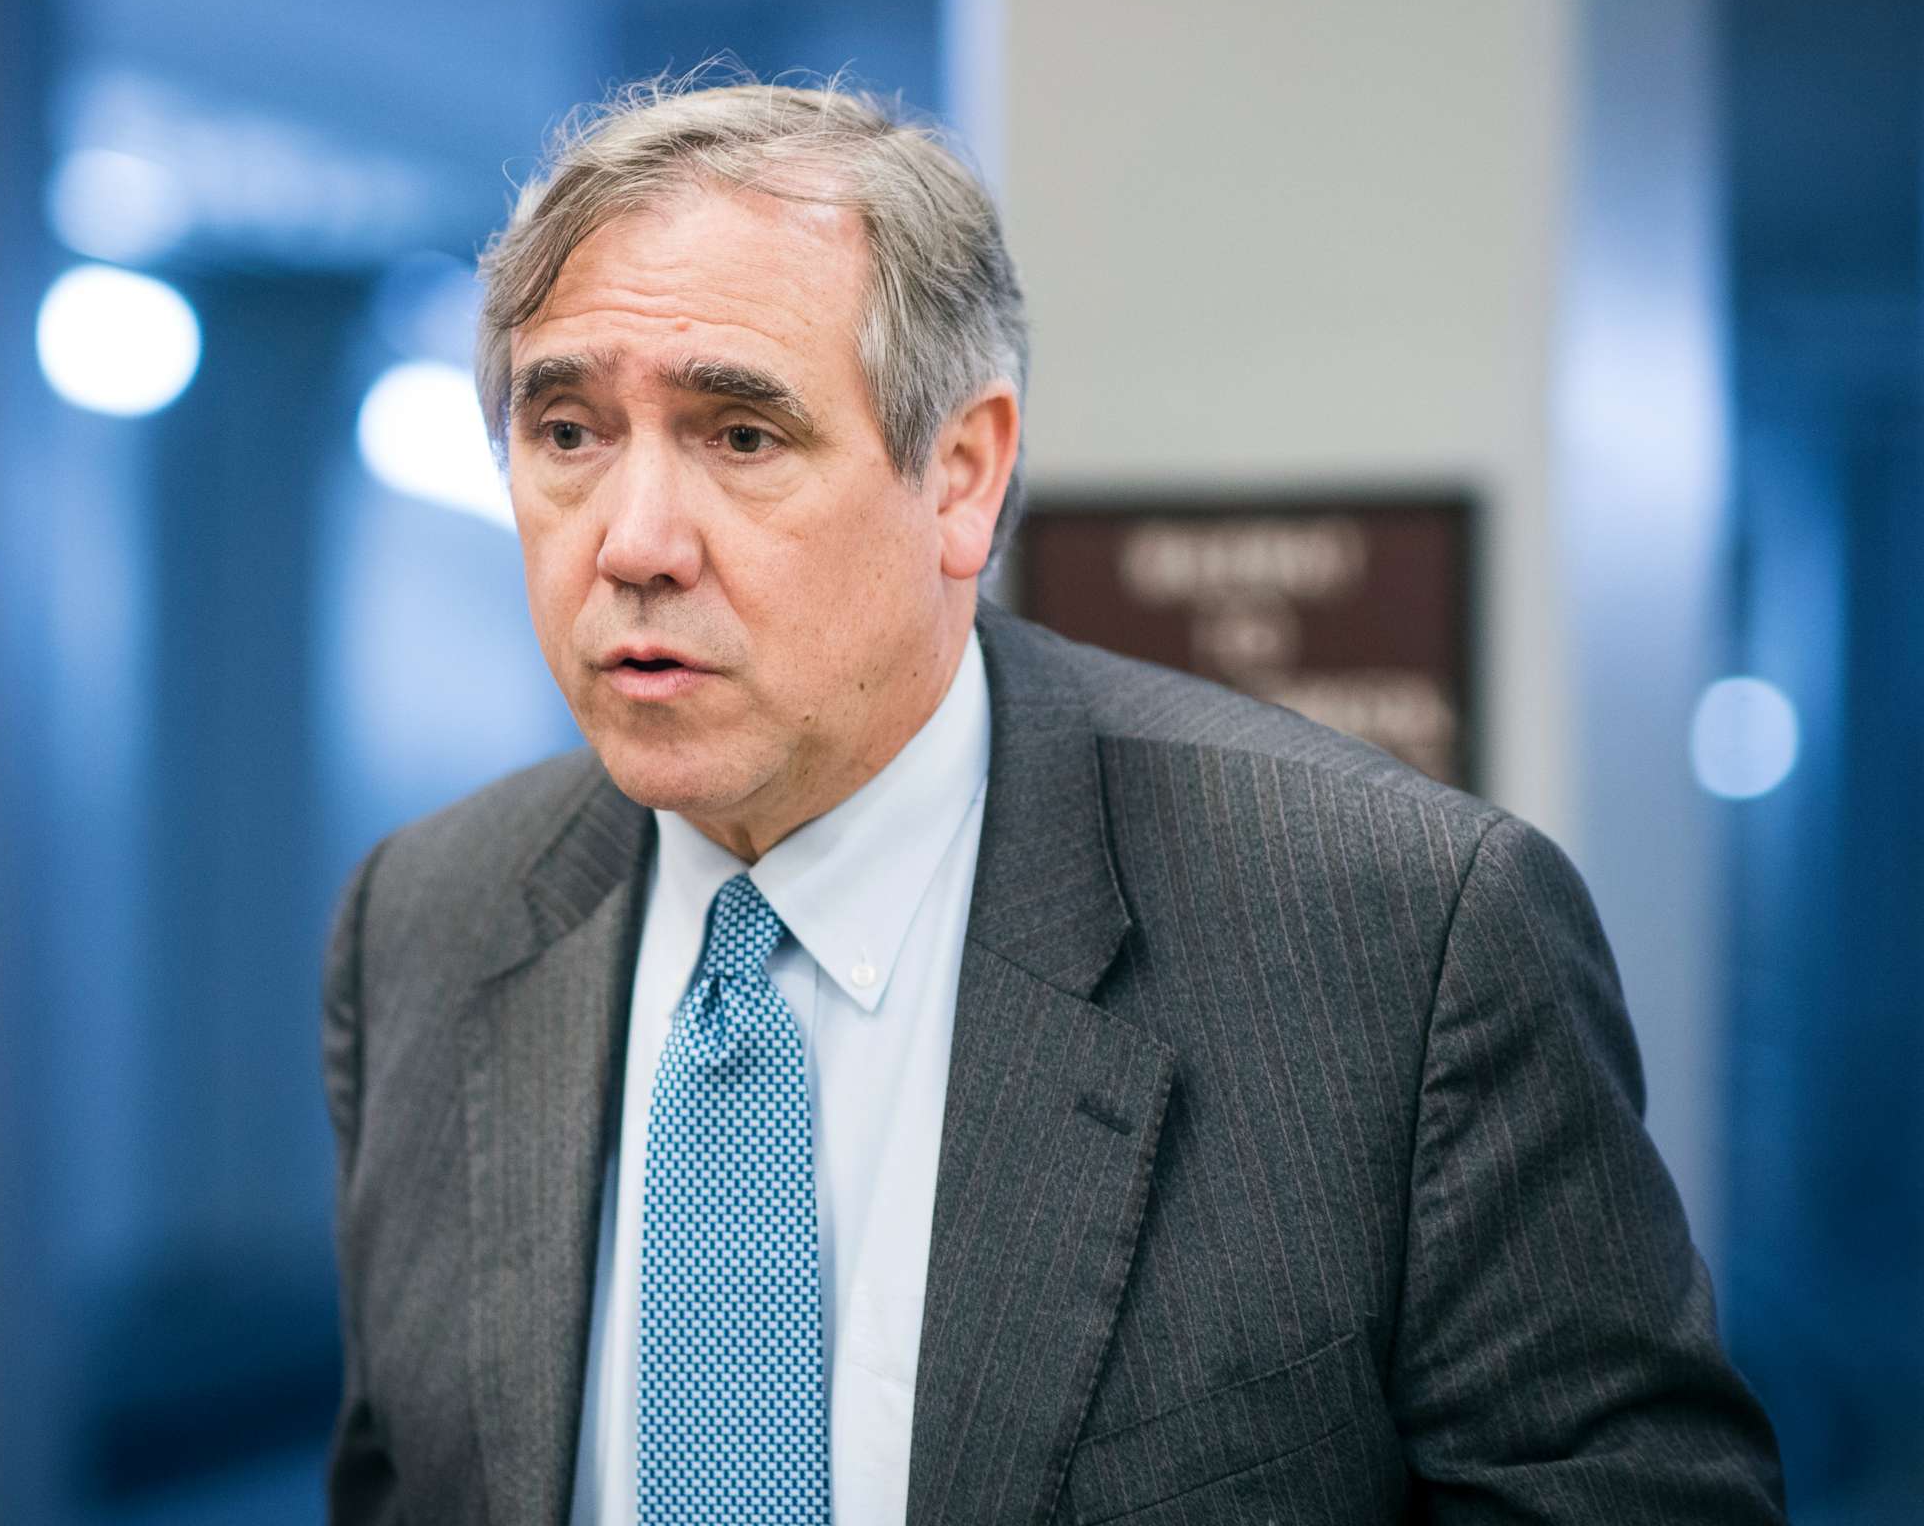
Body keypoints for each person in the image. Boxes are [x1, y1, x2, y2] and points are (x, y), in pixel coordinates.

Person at [319, 76, 1784, 1524]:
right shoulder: (430, 921)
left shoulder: (1402, 941)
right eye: (568, 433)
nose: (632, 541)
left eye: (740, 436)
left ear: (962, 475)